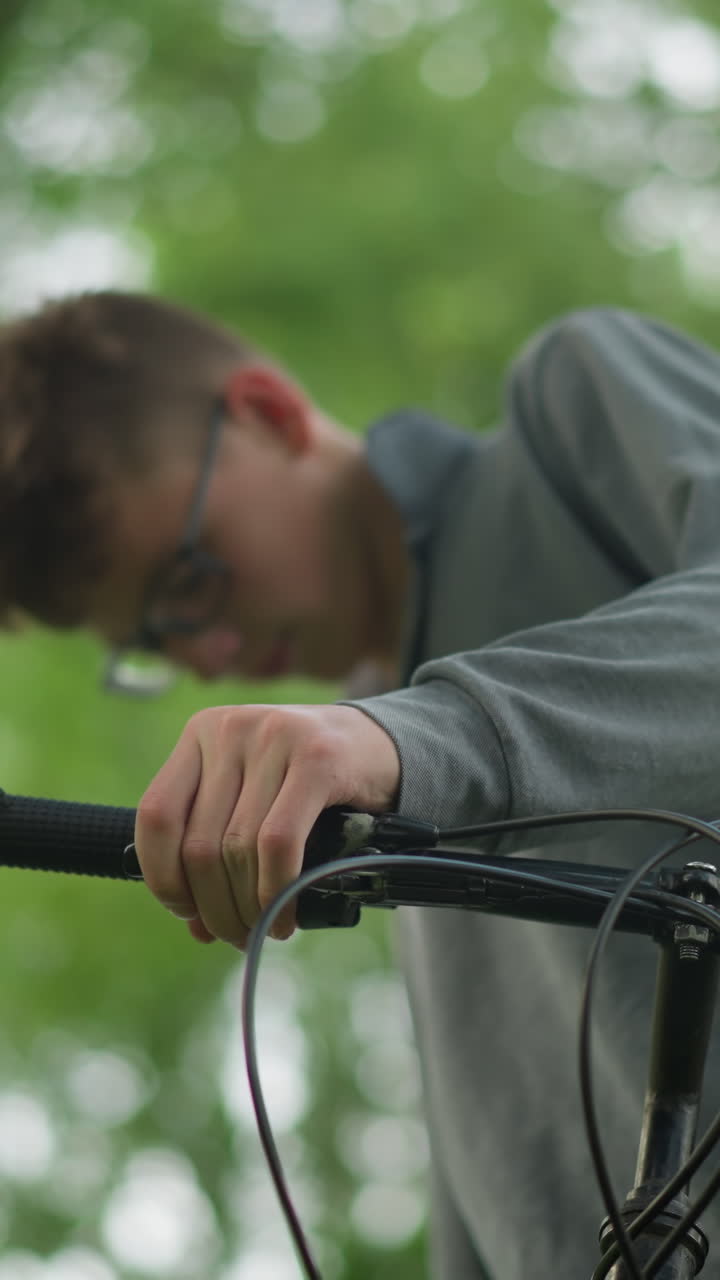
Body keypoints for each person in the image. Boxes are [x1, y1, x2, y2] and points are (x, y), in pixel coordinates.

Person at [3, 290, 720, 1277]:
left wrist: (426, 737)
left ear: (268, 411)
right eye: (155, 640)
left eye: (188, 578)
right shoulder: (374, 809)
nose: (207, 654)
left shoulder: (573, 406)